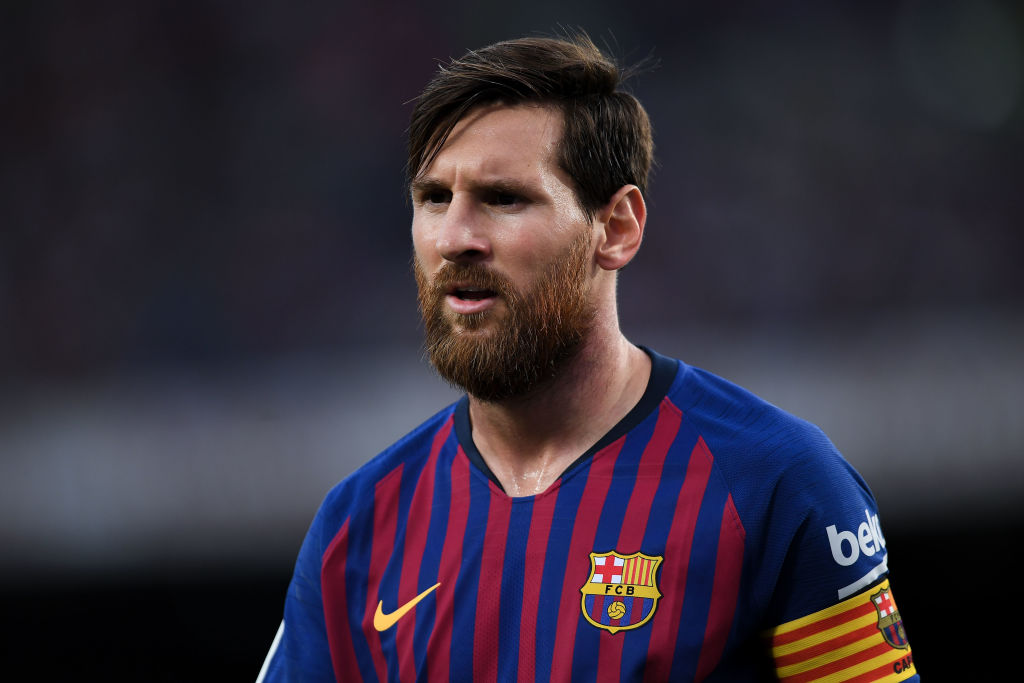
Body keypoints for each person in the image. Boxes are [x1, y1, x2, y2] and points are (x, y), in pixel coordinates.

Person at [257, 34, 918, 682]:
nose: (455, 237)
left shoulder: (778, 485)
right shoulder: (358, 525)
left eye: (503, 198)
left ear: (617, 227)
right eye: (434, 198)